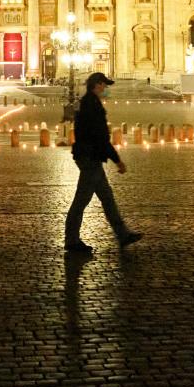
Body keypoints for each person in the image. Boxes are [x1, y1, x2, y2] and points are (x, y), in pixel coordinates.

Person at [64, 72, 141, 254]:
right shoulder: (92, 105)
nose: (105, 88)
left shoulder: (88, 102)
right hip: (90, 157)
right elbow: (100, 137)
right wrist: (117, 160)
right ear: (97, 85)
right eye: (104, 85)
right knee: (81, 201)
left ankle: (122, 234)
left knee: (107, 198)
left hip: (90, 156)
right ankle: (72, 240)